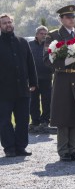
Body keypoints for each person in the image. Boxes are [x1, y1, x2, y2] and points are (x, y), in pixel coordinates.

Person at [44, 5, 75, 161]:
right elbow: (47, 60)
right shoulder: (54, 35)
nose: (72, 19)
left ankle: (74, 149)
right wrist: (68, 61)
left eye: (73, 17)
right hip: (63, 79)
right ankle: (64, 150)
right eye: (68, 17)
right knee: (63, 115)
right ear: (61, 19)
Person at [0, 13, 37, 157]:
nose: (8, 25)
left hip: (23, 89)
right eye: (4, 23)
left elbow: (30, 64)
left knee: (23, 120)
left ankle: (21, 147)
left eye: (9, 22)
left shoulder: (22, 42)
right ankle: (9, 148)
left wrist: (33, 82)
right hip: (3, 91)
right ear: (0, 26)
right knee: (4, 121)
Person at [28, 25, 53, 131]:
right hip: (33, 78)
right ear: (36, 34)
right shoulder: (29, 45)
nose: (43, 35)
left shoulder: (50, 45)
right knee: (33, 100)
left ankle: (45, 120)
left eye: (45, 34)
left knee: (47, 100)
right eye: (41, 33)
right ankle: (35, 120)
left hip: (46, 77)